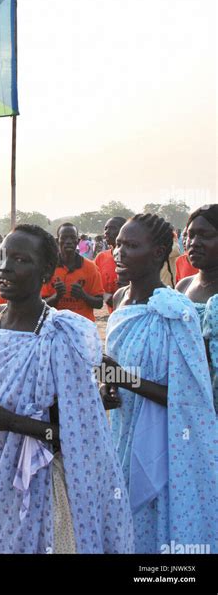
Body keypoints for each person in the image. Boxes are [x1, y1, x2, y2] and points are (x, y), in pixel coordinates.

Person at [0, 225, 134, 553]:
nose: (5, 267)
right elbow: (2, 395)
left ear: (46, 271)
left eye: (20, 259)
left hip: (44, 484)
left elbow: (75, 436)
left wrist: (11, 421)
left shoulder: (60, 335)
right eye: (4, 256)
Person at [102, 213, 217, 553]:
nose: (119, 253)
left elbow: (189, 395)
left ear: (157, 254)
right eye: (118, 244)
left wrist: (121, 378)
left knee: (159, 518)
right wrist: (108, 384)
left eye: (131, 245)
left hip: (167, 435)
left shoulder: (174, 310)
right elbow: (115, 367)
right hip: (123, 425)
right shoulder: (121, 300)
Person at [176, 204, 218, 413]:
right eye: (190, 235)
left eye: (205, 235)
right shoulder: (183, 286)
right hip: (185, 400)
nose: (194, 243)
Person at [42, 223, 103, 322]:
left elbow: (99, 303)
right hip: (55, 326)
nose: (69, 242)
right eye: (64, 238)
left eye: (72, 238)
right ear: (57, 241)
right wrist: (56, 296)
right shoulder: (48, 268)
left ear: (78, 241)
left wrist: (83, 295)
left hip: (82, 327)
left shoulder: (91, 267)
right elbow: (40, 305)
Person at [94, 217, 127, 312]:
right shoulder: (101, 258)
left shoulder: (136, 258)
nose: (107, 232)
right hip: (114, 316)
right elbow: (92, 283)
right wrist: (105, 296)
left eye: (112, 228)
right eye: (105, 228)